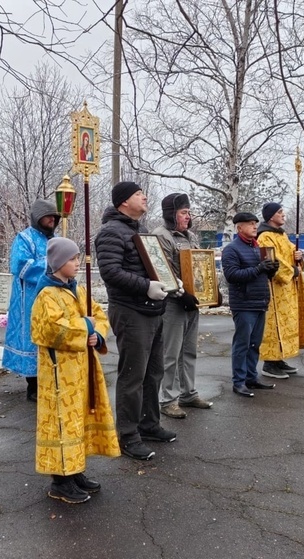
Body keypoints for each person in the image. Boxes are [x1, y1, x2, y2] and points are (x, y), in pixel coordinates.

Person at [30, 237, 120, 504]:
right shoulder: (47, 294)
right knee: (61, 422)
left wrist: (98, 336)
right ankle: (60, 480)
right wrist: (86, 328)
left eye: (78, 257)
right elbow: (50, 330)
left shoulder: (78, 290)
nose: (77, 263)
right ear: (58, 263)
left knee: (77, 418)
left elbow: (99, 315)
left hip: (81, 369)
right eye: (72, 259)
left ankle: (75, 468)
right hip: (59, 373)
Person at [94, 181, 177, 461]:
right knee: (133, 375)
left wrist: (169, 280)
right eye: (137, 194)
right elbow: (110, 272)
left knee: (154, 372)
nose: (144, 196)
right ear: (123, 202)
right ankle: (128, 435)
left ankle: (149, 424)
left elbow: (153, 265)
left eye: (144, 192)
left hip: (152, 309)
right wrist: (146, 286)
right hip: (131, 311)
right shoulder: (111, 232)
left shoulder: (139, 230)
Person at [152, 193, 213, 419]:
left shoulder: (190, 236)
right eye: (183, 212)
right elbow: (163, 271)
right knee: (171, 353)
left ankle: (188, 393)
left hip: (192, 303)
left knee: (189, 351)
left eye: (189, 212)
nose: (188, 216)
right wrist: (181, 293)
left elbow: (198, 267)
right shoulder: (162, 236)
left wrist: (211, 291)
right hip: (172, 303)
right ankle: (168, 399)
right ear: (171, 214)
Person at [2, 200, 61, 401]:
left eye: (54, 216)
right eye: (48, 216)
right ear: (37, 218)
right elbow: (21, 266)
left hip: (55, 298)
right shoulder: (24, 238)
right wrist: (53, 266)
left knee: (52, 337)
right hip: (31, 299)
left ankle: (51, 382)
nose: (52, 219)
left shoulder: (55, 239)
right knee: (33, 339)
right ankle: (33, 387)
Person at [256, 202, 304, 378]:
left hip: (288, 288)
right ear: (271, 216)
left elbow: (291, 253)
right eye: (280, 212)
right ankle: (269, 363)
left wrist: (298, 256)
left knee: (286, 324)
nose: (283, 215)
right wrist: (292, 270)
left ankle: (279, 358)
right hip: (275, 288)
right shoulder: (264, 236)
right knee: (274, 325)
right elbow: (274, 260)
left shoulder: (281, 234)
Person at [222, 212, 280, 397]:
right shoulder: (232, 249)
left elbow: (262, 275)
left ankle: (251, 378)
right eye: (250, 224)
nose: (255, 226)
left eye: (256, 223)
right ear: (240, 228)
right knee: (242, 344)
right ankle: (238, 382)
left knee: (255, 344)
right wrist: (259, 269)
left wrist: (271, 270)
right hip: (244, 303)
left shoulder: (258, 248)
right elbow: (232, 276)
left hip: (260, 302)